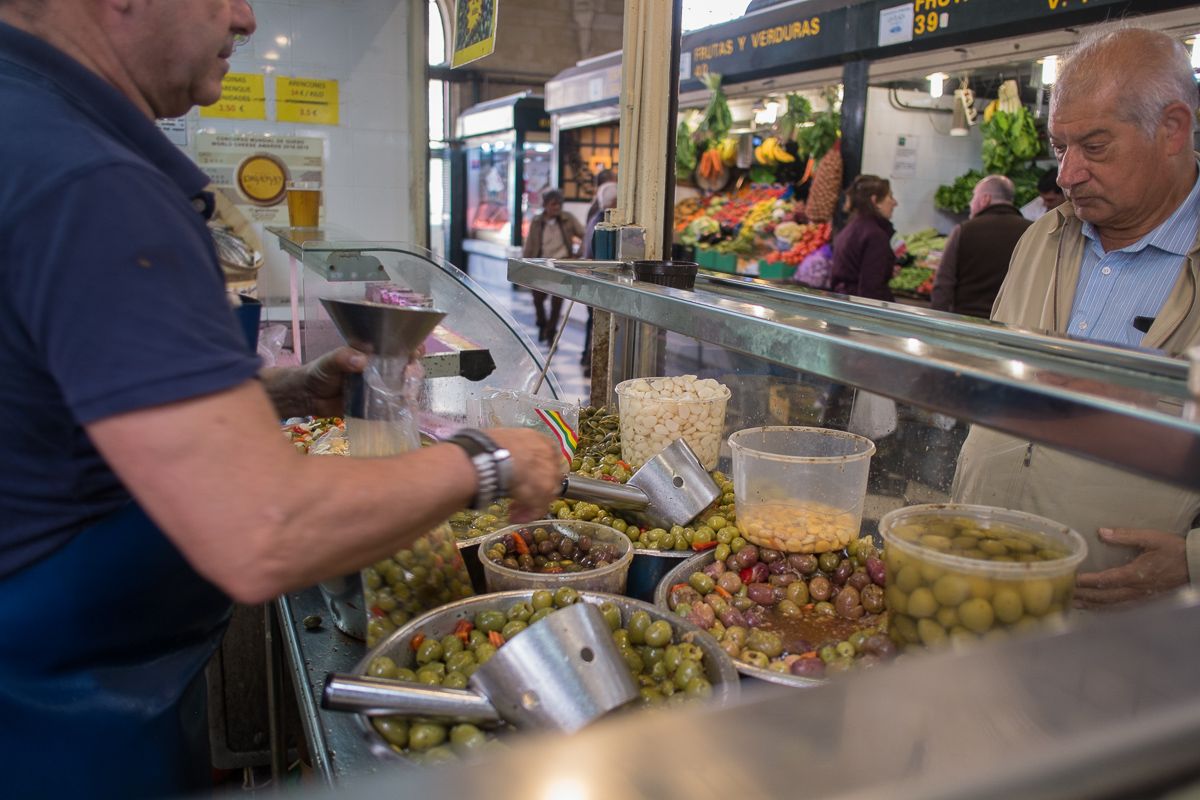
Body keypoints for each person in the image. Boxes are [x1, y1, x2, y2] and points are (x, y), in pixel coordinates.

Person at [0, 2, 564, 796]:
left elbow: (65, 409)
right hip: (54, 717)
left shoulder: (26, 119)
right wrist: (490, 460)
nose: (243, 16)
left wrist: (284, 394)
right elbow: (262, 529)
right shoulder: (89, 181)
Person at [953, 27, 1200, 609]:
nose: (1066, 174)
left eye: (1094, 146)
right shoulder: (1043, 236)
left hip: (1124, 627)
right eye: (1061, 147)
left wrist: (1192, 561)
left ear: (1172, 129)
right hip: (976, 578)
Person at [931, 175, 1032, 318]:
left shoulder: (963, 230)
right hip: (1011, 326)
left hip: (966, 324)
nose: (971, 203)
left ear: (985, 199)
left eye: (973, 197)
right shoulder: (1031, 232)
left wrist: (937, 324)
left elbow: (943, 285)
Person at [522, 187, 584, 343]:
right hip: (541, 265)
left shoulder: (567, 219)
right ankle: (542, 323)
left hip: (561, 265)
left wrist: (578, 255)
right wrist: (525, 264)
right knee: (538, 299)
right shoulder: (537, 221)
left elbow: (585, 235)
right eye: (553, 204)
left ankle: (551, 334)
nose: (556, 207)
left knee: (557, 304)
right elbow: (530, 245)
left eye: (559, 204)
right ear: (545, 205)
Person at [830, 175, 898, 301]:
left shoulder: (851, 228)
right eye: (890, 196)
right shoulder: (875, 236)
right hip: (857, 310)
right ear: (875, 201)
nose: (895, 203)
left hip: (844, 303)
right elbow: (871, 290)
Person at [580, 180, 618, 377]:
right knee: (598, 322)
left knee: (592, 321)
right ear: (612, 201)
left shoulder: (594, 217)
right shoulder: (603, 224)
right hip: (596, 280)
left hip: (590, 278)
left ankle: (586, 358)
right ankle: (591, 364)